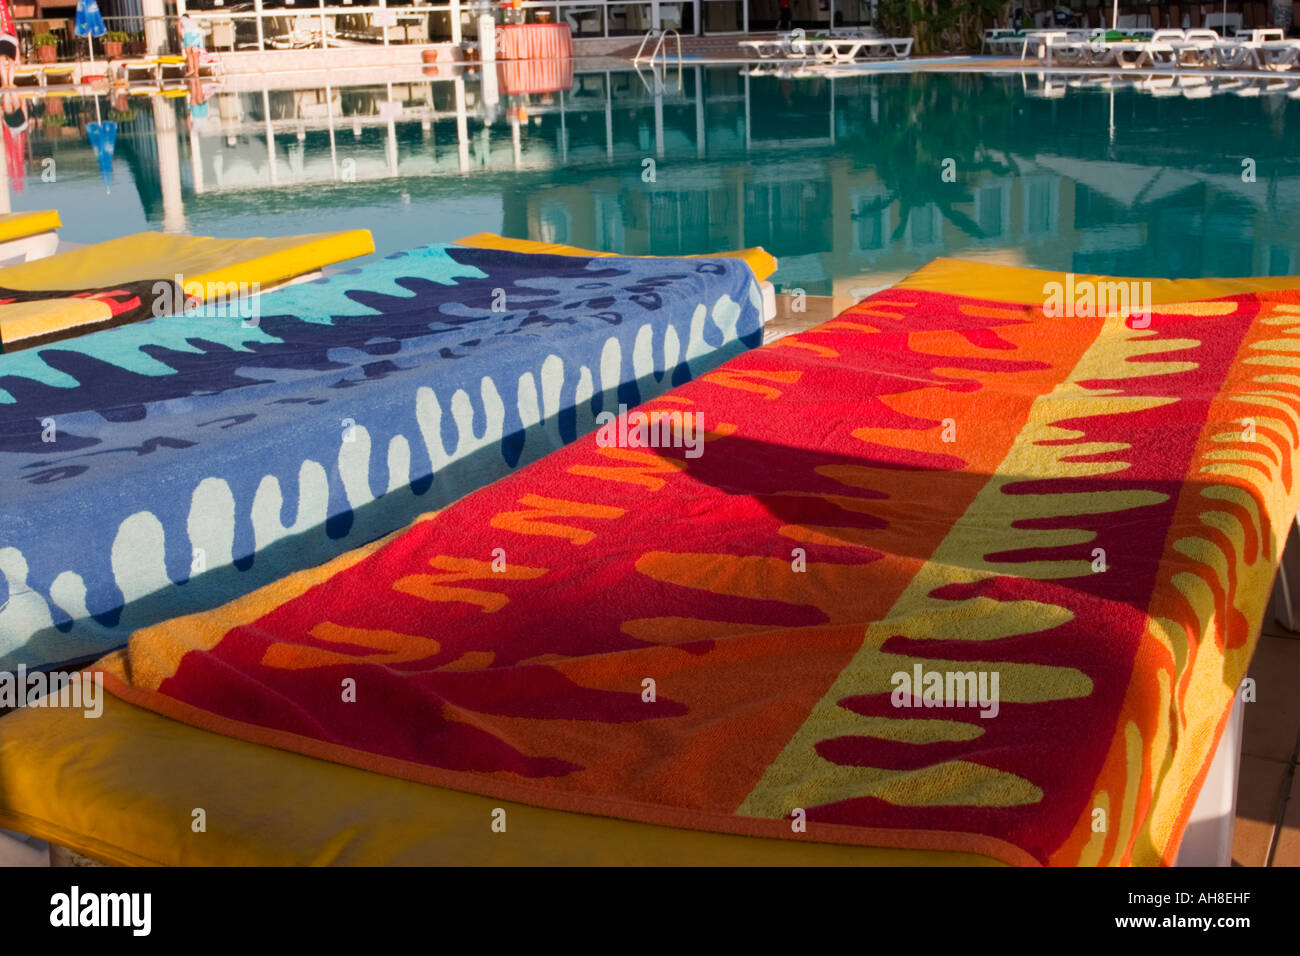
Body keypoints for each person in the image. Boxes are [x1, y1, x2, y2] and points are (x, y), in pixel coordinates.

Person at [0, 0, 19, 89]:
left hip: (3, 37)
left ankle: (5, 83)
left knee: (1, 61)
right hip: (11, 37)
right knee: (11, 62)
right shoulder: (6, 11)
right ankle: (10, 83)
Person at [178, 12, 203, 77]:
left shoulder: (180, 19)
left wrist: (182, 39)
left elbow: (179, 31)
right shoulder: (192, 20)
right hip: (196, 35)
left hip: (188, 34)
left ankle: (191, 69)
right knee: (195, 54)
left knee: (189, 53)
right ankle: (196, 73)